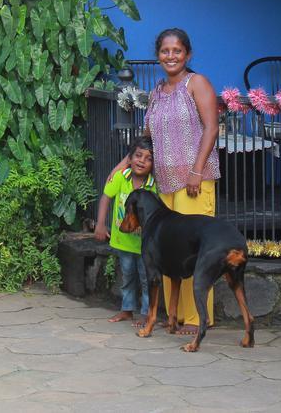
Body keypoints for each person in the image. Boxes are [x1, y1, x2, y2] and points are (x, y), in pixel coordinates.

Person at [106, 28, 220, 335]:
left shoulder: (197, 84)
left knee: (196, 251)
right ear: (158, 55)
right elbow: (147, 137)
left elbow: (211, 129)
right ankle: (176, 317)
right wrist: (121, 165)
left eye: (177, 51)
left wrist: (196, 171)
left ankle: (197, 319)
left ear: (188, 54)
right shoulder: (156, 92)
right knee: (169, 251)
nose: (171, 56)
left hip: (195, 182)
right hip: (165, 185)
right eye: (165, 51)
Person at [95, 136, 157, 326]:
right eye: (138, 155)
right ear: (129, 158)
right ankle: (127, 309)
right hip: (123, 241)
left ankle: (147, 314)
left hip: (144, 244)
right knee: (127, 276)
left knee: (146, 279)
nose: (142, 161)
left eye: (148, 158)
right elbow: (106, 197)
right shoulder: (122, 177)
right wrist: (100, 224)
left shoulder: (154, 185)